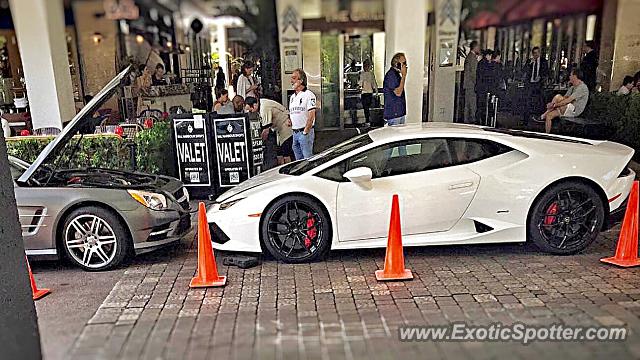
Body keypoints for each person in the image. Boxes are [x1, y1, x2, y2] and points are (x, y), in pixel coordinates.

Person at [539, 68, 589, 133]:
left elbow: (568, 100)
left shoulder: (582, 87)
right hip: (567, 107)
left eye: (570, 75)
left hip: (574, 110)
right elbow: (565, 98)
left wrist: (553, 105)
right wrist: (555, 104)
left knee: (558, 96)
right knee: (549, 116)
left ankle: (544, 114)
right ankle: (547, 134)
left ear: (575, 76)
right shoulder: (572, 87)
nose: (569, 77)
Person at [287, 68, 316, 160]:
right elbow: (292, 113)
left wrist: (305, 132)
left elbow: (311, 115)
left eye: (294, 78)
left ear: (301, 80)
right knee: (298, 161)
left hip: (304, 132)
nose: (291, 81)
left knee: (307, 159)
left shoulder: (309, 95)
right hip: (295, 132)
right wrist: (290, 120)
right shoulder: (292, 97)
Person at [260, 98, 294, 165]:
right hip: (277, 129)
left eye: (251, 109)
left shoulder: (264, 107)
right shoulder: (262, 104)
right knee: (279, 153)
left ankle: (289, 171)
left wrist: (260, 143)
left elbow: (266, 130)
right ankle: (280, 172)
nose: (251, 111)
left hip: (285, 125)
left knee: (286, 153)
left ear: (254, 105)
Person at [523, 47, 549, 123]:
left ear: (539, 53)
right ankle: (526, 119)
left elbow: (546, 72)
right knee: (527, 100)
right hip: (530, 83)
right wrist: (530, 64)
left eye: (537, 53)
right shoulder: (529, 61)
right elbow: (524, 71)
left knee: (540, 100)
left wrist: (540, 77)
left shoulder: (543, 61)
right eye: (534, 53)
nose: (536, 54)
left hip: (539, 84)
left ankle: (539, 118)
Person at [383, 52, 407, 125]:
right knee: (395, 135)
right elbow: (398, 93)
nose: (405, 65)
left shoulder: (396, 75)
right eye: (404, 63)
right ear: (397, 64)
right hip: (394, 114)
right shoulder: (391, 75)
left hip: (399, 113)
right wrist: (404, 76)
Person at [463, 41, 480, 123]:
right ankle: (471, 120)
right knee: (471, 103)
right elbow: (474, 73)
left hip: (468, 84)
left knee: (467, 103)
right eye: (478, 47)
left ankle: (466, 119)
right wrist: (476, 83)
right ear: (475, 47)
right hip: (471, 84)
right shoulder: (472, 58)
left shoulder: (469, 57)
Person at [475, 49, 494, 123]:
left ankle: (479, 120)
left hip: (480, 88)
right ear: (487, 55)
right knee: (483, 105)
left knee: (480, 105)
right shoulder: (486, 64)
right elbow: (487, 76)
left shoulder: (480, 63)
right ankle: (483, 120)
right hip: (484, 88)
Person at [359, 59, 378, 124]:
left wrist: (358, 86)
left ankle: (367, 120)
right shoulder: (371, 74)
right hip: (370, 93)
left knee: (365, 108)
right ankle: (370, 120)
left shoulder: (362, 74)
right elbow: (374, 83)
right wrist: (376, 92)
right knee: (369, 108)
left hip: (364, 93)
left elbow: (360, 84)